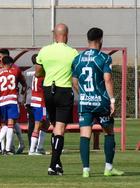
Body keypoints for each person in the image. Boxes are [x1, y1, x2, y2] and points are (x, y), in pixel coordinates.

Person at [72, 27, 124, 178]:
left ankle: (86, 170)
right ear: (100, 40)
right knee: (109, 132)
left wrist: (83, 95)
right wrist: (112, 100)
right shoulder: (104, 58)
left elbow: (74, 81)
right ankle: (108, 168)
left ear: (88, 40)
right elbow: (107, 79)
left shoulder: (78, 59)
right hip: (101, 102)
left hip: (85, 102)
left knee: (85, 135)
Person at [35, 23, 78, 175]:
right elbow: (75, 76)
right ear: (66, 35)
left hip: (48, 91)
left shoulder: (44, 50)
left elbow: (38, 73)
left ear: (55, 35)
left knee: (55, 127)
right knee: (60, 129)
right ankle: (52, 165)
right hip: (64, 90)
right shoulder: (73, 53)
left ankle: (58, 164)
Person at [0, 56, 27, 155]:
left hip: (2, 101)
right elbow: (23, 83)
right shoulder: (16, 71)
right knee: (11, 124)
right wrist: (22, 93)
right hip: (12, 99)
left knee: (5, 124)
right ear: (9, 64)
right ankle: (8, 149)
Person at [28, 54, 48, 155]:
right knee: (38, 125)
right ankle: (32, 150)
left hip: (35, 101)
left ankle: (39, 148)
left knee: (45, 124)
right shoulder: (43, 75)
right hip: (41, 102)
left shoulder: (36, 73)